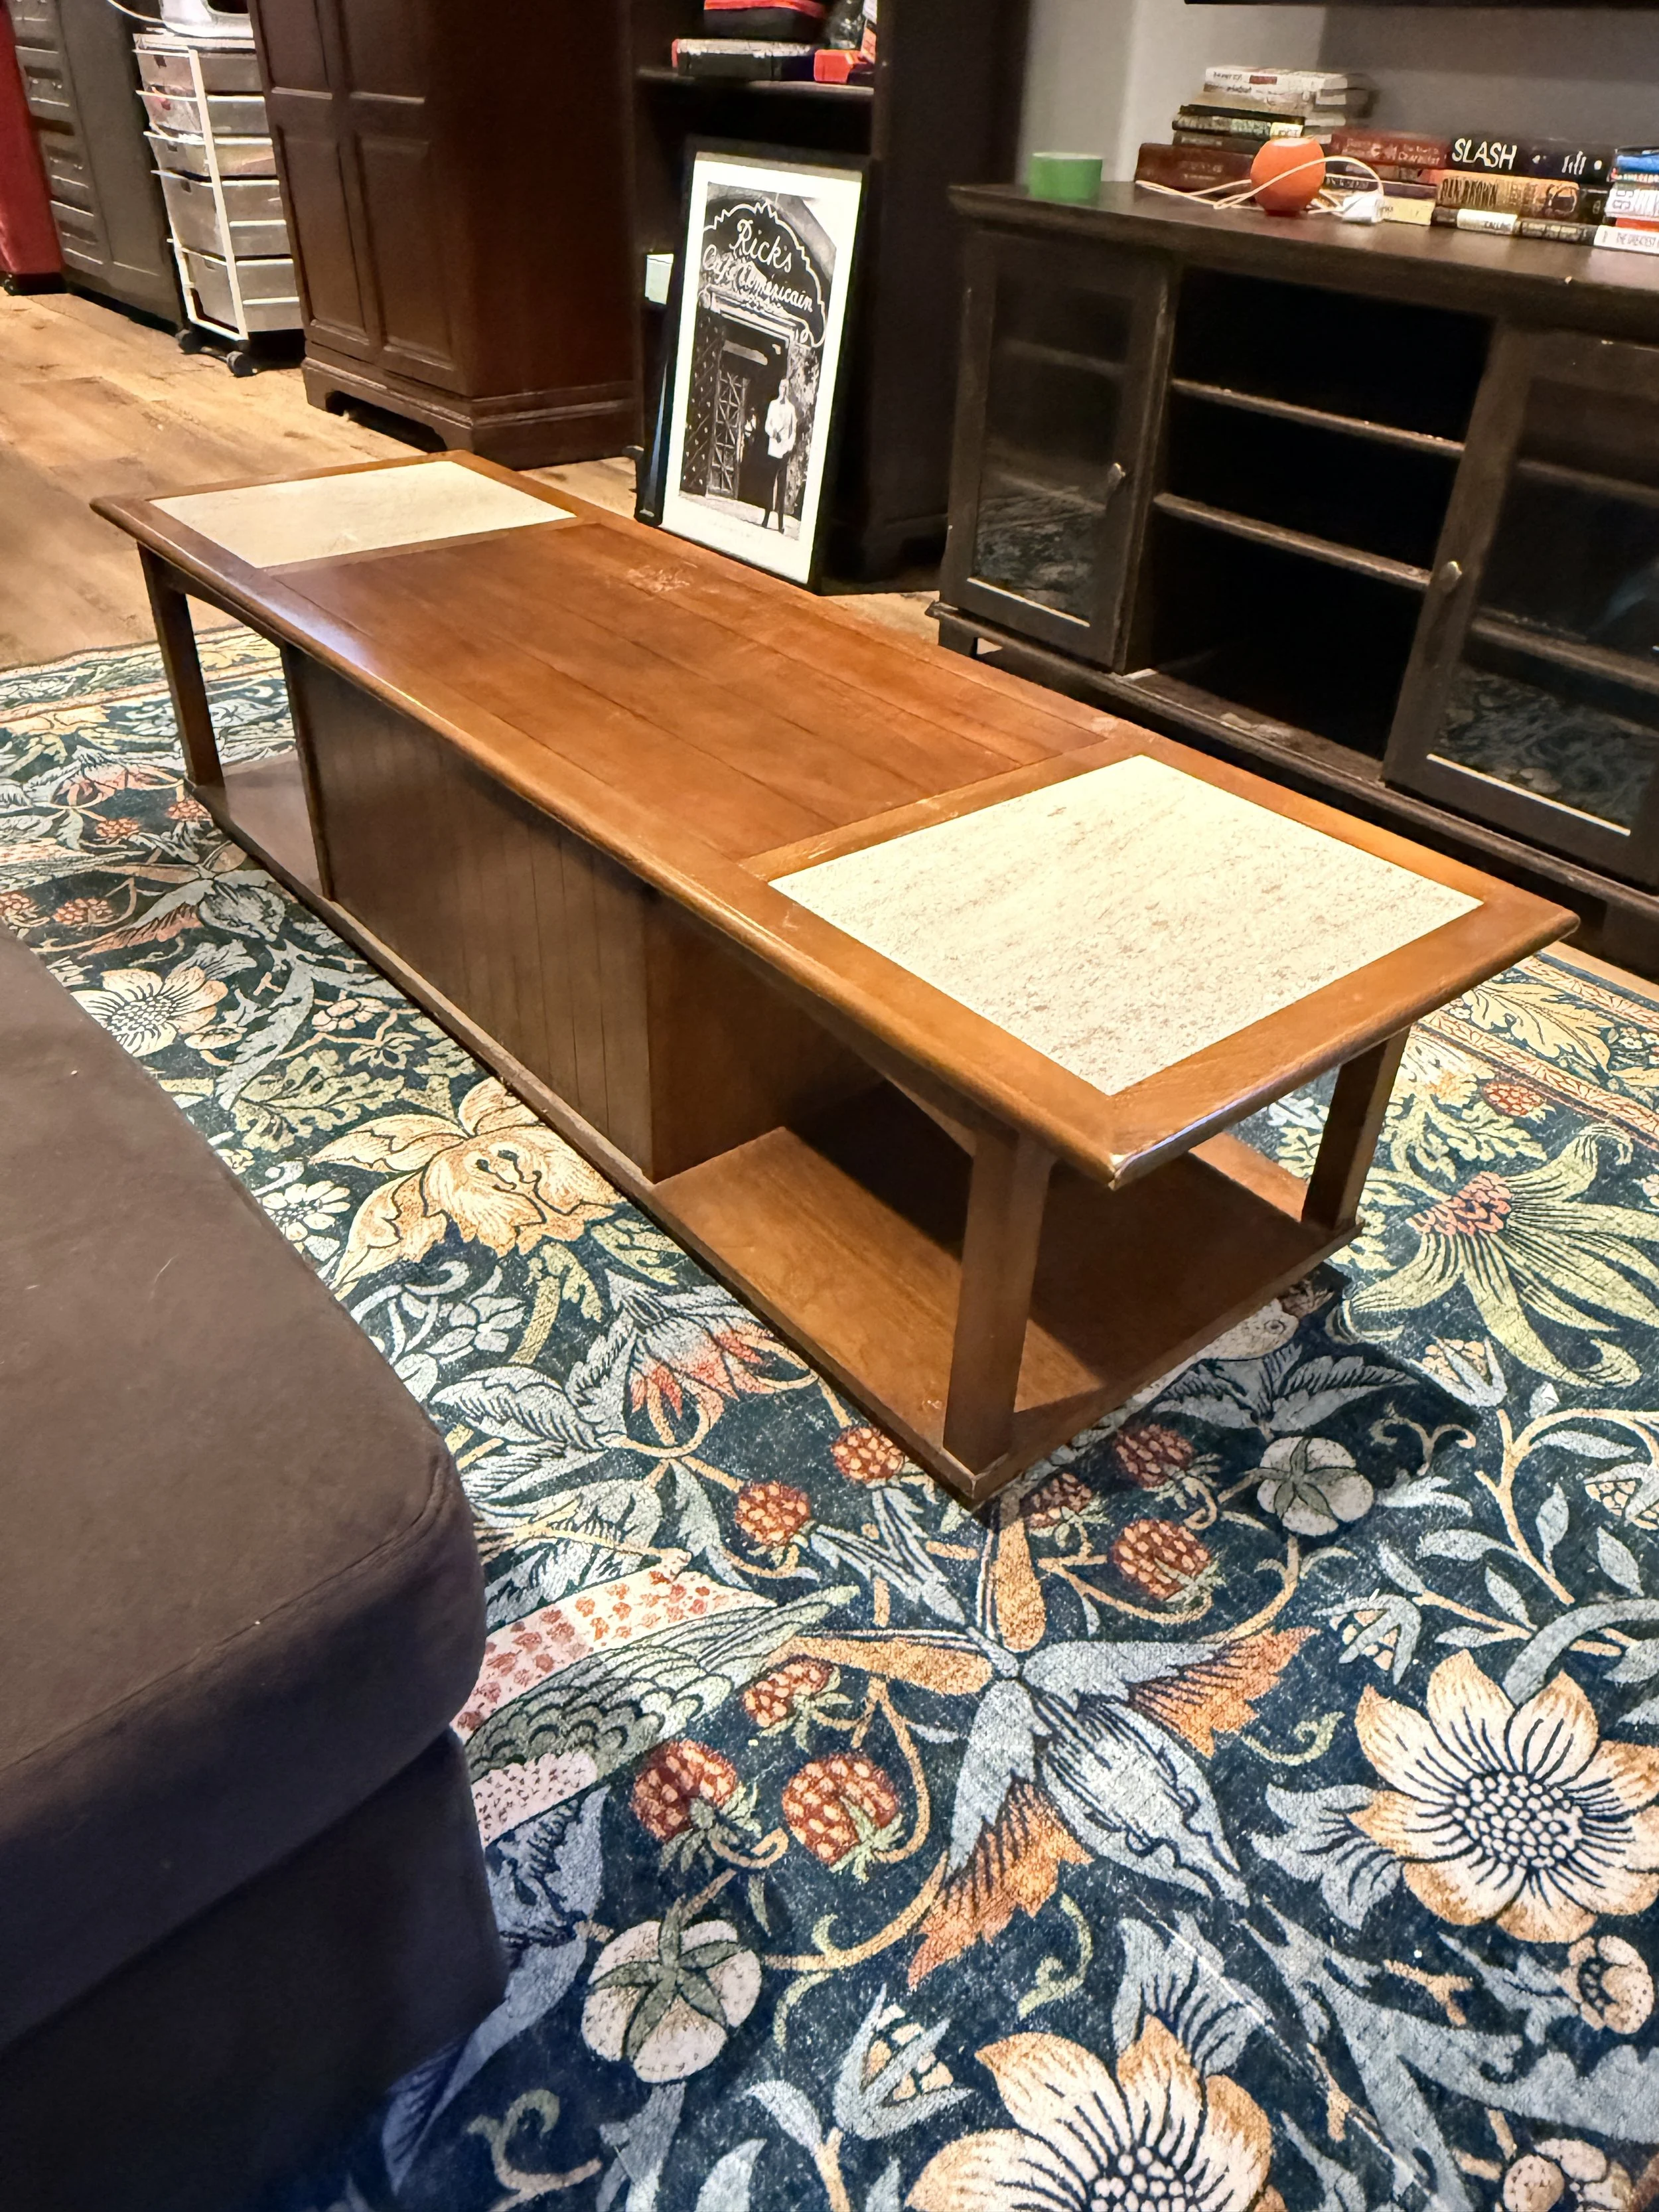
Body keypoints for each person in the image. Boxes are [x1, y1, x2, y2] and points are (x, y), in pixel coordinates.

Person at [762, 382, 798, 530]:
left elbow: (793, 431)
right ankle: (765, 519)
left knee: (781, 487)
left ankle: (780, 524)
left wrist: (788, 448)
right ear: (779, 388)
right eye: (781, 387)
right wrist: (773, 433)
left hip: (783, 451)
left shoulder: (791, 409)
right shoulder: (773, 405)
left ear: (789, 390)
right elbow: (767, 425)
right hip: (773, 450)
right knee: (770, 484)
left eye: (786, 387)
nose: (783, 390)